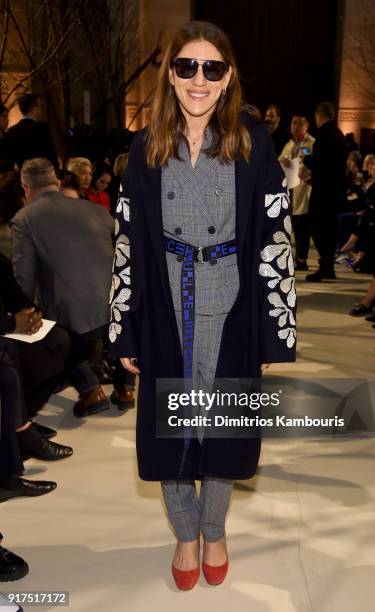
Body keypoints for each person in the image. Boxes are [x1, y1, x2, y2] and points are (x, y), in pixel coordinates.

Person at [109, 20, 296, 590]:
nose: (198, 78)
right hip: (166, 306)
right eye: (187, 66)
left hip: (232, 305)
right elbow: (126, 242)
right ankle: (186, 536)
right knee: (171, 434)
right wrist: (126, 328)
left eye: (211, 68)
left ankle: (214, 530)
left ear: (227, 77)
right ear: (170, 74)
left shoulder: (252, 141)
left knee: (222, 432)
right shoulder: (145, 146)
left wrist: (271, 329)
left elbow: (275, 237)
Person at [11, 158, 134, 416]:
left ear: (26, 188)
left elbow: (24, 278)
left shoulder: (24, 219)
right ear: (57, 182)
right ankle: (125, 390)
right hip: (119, 303)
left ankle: (91, 391)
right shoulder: (94, 209)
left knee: (52, 322)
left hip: (76, 314)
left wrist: (22, 314)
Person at [303, 101, 347, 281]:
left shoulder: (323, 136)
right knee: (329, 231)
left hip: (323, 194)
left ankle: (326, 267)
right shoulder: (339, 135)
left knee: (318, 229)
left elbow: (321, 164)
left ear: (319, 116)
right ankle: (328, 267)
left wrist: (307, 160)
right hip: (335, 192)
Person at [279, 114, 315, 270]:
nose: (295, 126)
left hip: (303, 189)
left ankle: (302, 259)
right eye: (293, 123)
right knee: (290, 225)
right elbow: (280, 159)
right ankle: (291, 256)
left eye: (299, 123)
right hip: (289, 189)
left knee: (302, 226)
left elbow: (315, 162)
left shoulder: (312, 143)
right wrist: (283, 160)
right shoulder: (289, 144)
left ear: (306, 126)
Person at [0, 93, 57, 168]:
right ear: (35, 107)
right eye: (41, 106)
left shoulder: (11, 131)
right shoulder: (41, 129)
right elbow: (51, 158)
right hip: (42, 176)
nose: (42, 110)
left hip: (22, 177)